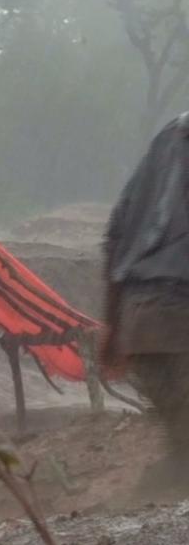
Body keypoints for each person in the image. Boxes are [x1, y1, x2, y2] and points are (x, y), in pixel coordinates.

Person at [101, 111, 189, 500]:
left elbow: (116, 232)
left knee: (182, 445)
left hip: (140, 323)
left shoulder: (168, 135)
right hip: (179, 315)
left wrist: (113, 326)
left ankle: (134, 511)